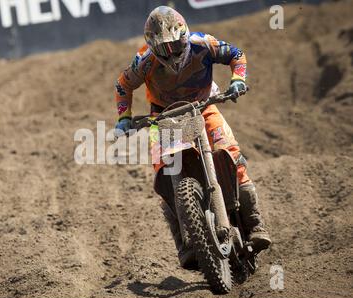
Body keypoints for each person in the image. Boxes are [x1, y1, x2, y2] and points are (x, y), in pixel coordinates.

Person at [114, 6, 271, 269]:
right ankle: (184, 244)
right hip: (164, 116)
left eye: (176, 45)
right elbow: (123, 84)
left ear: (185, 36)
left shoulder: (203, 44)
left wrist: (237, 80)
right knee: (164, 174)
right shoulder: (144, 61)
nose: (172, 52)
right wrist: (124, 118)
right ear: (153, 46)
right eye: (164, 48)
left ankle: (255, 222)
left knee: (231, 154)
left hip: (204, 105)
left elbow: (237, 54)